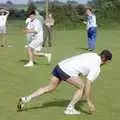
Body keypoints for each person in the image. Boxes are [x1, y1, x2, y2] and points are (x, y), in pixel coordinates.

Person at [17, 50, 112, 115]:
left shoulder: (93, 54)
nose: (108, 63)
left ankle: (26, 98)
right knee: (82, 86)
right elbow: (88, 83)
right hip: (67, 70)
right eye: (108, 61)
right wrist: (89, 101)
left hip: (60, 65)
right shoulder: (96, 67)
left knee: (49, 88)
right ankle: (70, 109)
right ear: (105, 60)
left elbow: (81, 64)